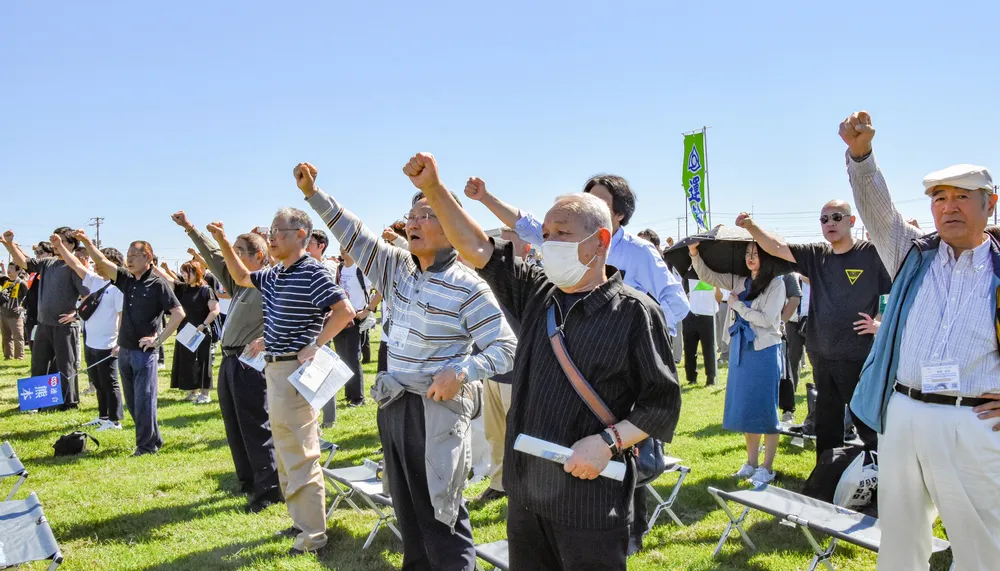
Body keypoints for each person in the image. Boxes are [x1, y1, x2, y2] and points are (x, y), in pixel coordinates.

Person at [409, 153, 680, 570]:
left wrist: (608, 442)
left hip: (591, 500)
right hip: (527, 495)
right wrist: (434, 189)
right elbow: (477, 246)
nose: (549, 243)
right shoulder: (537, 292)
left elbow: (661, 405)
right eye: (547, 233)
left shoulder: (635, 313)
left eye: (562, 234)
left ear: (600, 242)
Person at [296, 160, 516, 571]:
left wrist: (462, 372)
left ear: (450, 225)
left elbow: (506, 347)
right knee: (406, 508)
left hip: (436, 409)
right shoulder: (396, 266)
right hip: (394, 401)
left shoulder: (469, 286)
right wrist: (313, 195)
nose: (412, 223)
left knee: (442, 513)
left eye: (426, 215)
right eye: (410, 216)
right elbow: (353, 233)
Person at [840, 110, 1000, 570]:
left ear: (989, 205)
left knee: (981, 543)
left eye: (962, 198)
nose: (948, 207)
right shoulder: (914, 254)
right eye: (939, 198)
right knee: (901, 541)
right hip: (904, 414)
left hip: (971, 420)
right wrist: (861, 154)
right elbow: (877, 210)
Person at [209, 207, 355, 556]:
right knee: (287, 451)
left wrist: (315, 344)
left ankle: (313, 535)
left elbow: (345, 311)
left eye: (279, 231)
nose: (272, 237)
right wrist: (223, 242)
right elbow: (243, 277)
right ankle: (299, 520)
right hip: (273, 370)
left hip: (294, 372)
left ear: (301, 235)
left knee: (301, 454)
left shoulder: (313, 272)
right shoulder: (275, 275)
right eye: (271, 231)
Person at [736, 201, 890, 457]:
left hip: (857, 354)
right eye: (824, 219)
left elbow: (892, 292)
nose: (830, 223)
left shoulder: (871, 253)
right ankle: (827, 473)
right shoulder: (816, 255)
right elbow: (777, 247)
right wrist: (751, 227)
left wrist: (879, 322)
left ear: (851, 222)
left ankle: (880, 471)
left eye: (836, 217)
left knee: (866, 419)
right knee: (827, 421)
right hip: (821, 352)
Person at [463, 175, 690, 334]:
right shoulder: (565, 239)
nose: (591, 206)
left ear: (620, 213)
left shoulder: (639, 251)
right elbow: (526, 224)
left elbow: (677, 302)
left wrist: (642, 332)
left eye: (600, 202)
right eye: (588, 200)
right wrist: (485, 197)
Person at [172, 211, 283, 513]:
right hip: (231, 360)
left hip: (253, 363)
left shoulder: (270, 281)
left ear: (259, 256)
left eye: (239, 251)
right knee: (234, 424)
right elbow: (215, 257)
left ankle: (269, 490)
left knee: (256, 426)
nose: (232, 255)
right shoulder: (239, 283)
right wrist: (192, 230)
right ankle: (248, 481)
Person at [76, 231, 185, 456]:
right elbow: (102, 263)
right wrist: (87, 242)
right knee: (134, 404)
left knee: (144, 401)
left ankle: (145, 447)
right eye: (128, 254)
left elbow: (178, 313)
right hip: (124, 350)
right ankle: (154, 439)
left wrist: (159, 340)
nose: (130, 258)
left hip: (144, 354)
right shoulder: (127, 280)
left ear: (148, 258)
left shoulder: (158, 284)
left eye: (135, 254)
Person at [690, 241, 785, 485]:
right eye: (748, 254)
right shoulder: (740, 281)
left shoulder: (776, 283)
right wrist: (694, 253)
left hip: (764, 349)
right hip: (741, 347)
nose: (751, 258)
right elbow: (707, 275)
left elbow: (766, 320)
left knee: (765, 408)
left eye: (756, 253)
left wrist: (737, 306)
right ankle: (751, 463)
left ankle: (768, 467)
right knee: (746, 407)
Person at [2, 228, 89, 410]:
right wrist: (10, 244)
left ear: (72, 245)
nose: (57, 245)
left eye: (62, 241)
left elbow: (89, 296)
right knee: (39, 364)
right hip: (43, 324)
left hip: (65, 327)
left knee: (66, 367)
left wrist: (76, 314)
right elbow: (23, 262)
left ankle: (68, 403)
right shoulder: (47, 263)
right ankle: (37, 403)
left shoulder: (74, 268)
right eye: (55, 241)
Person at [50, 237, 126, 430]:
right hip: (91, 341)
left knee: (110, 382)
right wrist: (59, 247)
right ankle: (103, 416)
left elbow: (122, 317)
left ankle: (115, 420)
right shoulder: (93, 281)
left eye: (100, 262)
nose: (96, 266)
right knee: (98, 382)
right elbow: (75, 264)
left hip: (108, 343)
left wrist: (119, 341)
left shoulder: (119, 288)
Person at [163, 261, 220, 404]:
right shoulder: (183, 289)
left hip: (201, 331)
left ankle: (205, 393)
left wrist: (203, 324)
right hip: (185, 331)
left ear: (197, 273)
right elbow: (167, 278)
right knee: (187, 361)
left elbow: (215, 310)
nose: (184, 275)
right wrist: (153, 267)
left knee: (202, 361)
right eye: (182, 272)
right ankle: (192, 391)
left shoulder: (206, 290)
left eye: (187, 272)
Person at [306, 228, 344, 427]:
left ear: (321, 246)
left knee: (323, 371)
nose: (305, 246)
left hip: (322, 328)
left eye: (309, 243)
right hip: (309, 328)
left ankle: (329, 418)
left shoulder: (326, 267)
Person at [334, 246, 380, 408]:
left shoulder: (362, 269)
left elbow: (381, 288)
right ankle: (349, 393)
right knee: (342, 357)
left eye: (346, 247)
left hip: (355, 317)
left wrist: (367, 310)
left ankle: (358, 397)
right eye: (341, 247)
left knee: (353, 357)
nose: (343, 250)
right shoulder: (338, 268)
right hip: (339, 317)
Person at [682, 274, 718, 386]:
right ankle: (691, 377)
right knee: (689, 348)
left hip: (707, 314)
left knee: (708, 348)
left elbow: (720, 296)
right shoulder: (686, 273)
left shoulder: (711, 272)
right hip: (690, 313)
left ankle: (710, 377)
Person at [778, 273, 803, 422]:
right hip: (755, 329)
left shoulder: (786, 273)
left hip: (778, 330)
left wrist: (781, 322)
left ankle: (787, 410)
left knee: (785, 371)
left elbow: (795, 298)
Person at [0, 262, 28, 360]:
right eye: (9, 267)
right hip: (3, 313)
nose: (9, 270)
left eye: (12, 268)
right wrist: (2, 267)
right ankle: (8, 356)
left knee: (18, 337)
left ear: (18, 270)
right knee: (6, 337)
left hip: (15, 315)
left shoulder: (22, 283)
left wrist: (23, 308)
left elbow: (28, 297)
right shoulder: (5, 281)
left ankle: (19, 357)